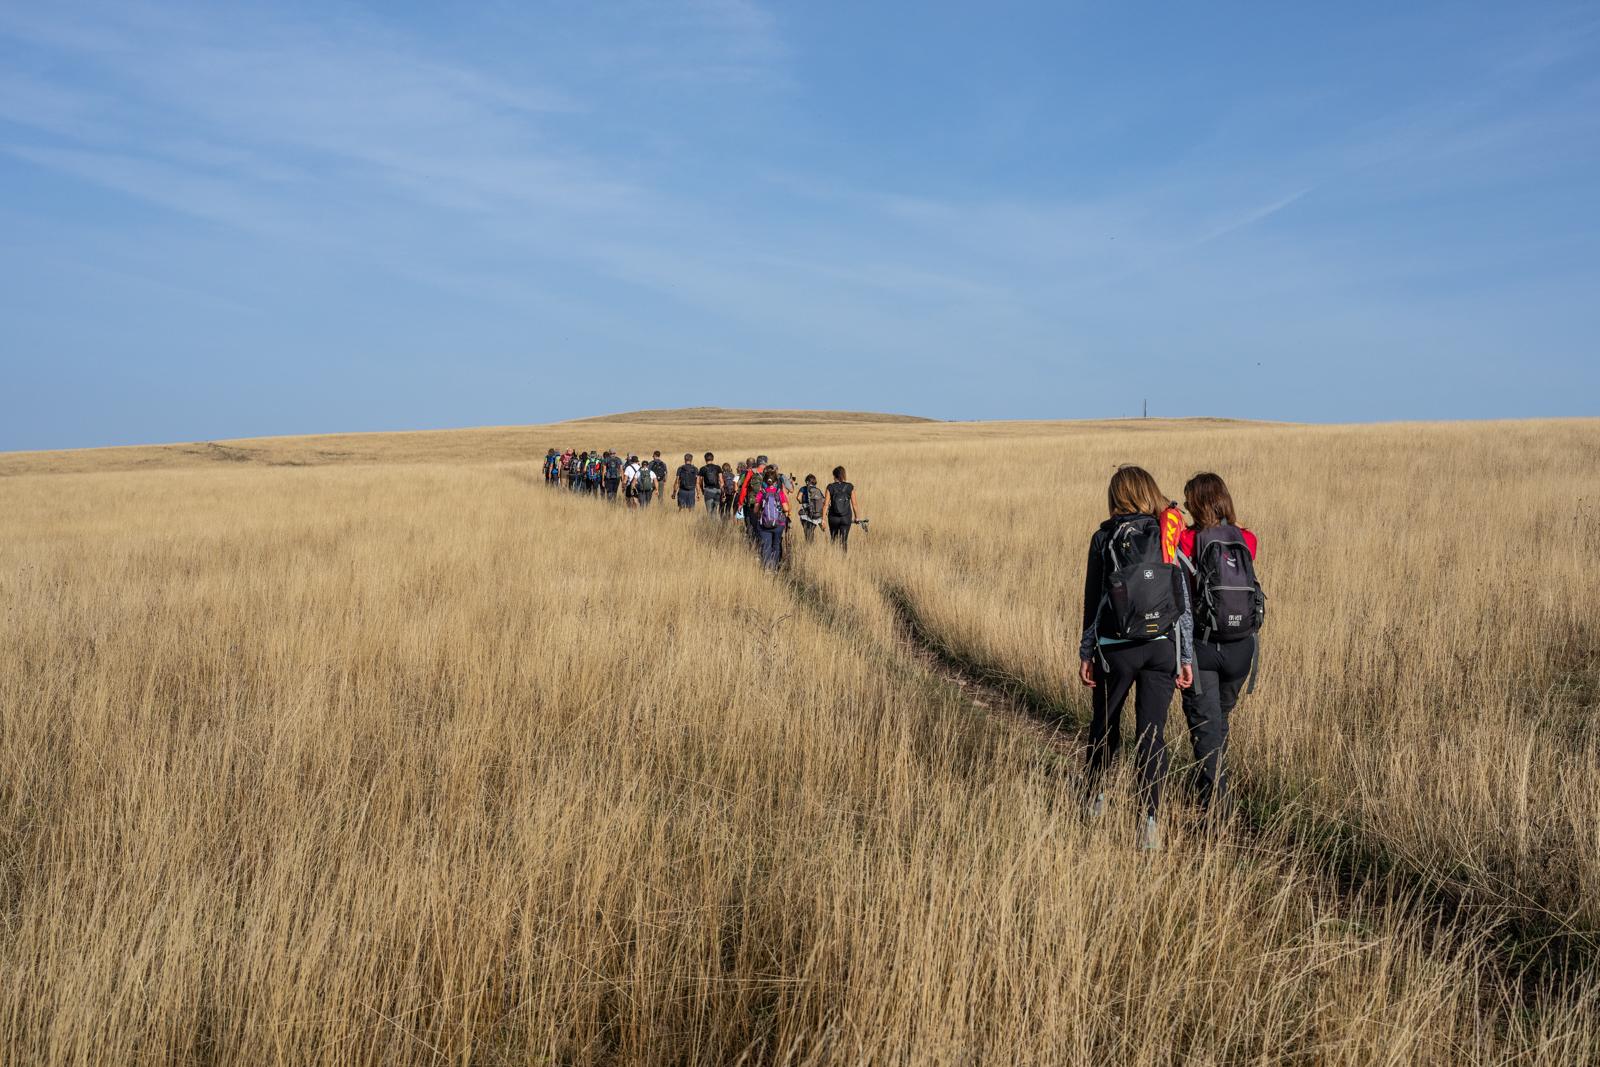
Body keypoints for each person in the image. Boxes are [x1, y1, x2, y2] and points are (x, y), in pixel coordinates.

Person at [1077, 465, 1193, 851]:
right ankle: (1149, 823)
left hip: (1116, 649)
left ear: (1116, 497)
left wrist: (1087, 651)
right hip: (1162, 648)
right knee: (1151, 736)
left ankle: (1094, 802)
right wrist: (1185, 656)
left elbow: (1094, 600)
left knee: (1106, 726)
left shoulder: (1104, 537)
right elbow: (1183, 602)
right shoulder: (1167, 532)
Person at [1177, 472, 1262, 825]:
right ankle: (1208, 790)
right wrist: (1230, 520)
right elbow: (1247, 533)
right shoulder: (1246, 540)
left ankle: (1219, 813)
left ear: (1196, 505)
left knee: (1205, 727)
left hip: (1203, 646)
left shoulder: (1187, 540)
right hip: (1243, 648)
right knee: (1218, 723)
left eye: (1188, 501)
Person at [751, 467, 789, 569]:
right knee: (776, 545)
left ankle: (767, 568)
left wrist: (760, 511)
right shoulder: (779, 492)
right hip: (778, 524)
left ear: (765, 481)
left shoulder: (761, 492)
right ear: (776, 481)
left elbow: (755, 510)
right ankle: (774, 567)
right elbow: (786, 508)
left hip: (764, 524)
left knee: (766, 546)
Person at [825, 467, 863, 551]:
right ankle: (843, 559)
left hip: (833, 518)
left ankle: (833, 558)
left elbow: (826, 505)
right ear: (843, 475)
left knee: (833, 539)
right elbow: (854, 504)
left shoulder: (830, 487)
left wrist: (823, 519)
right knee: (844, 541)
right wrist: (857, 517)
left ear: (834, 475)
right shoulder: (849, 487)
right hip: (846, 518)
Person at [797, 474, 826, 542]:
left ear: (807, 481)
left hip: (805, 515)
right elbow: (823, 501)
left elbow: (798, 498)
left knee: (808, 533)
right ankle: (811, 546)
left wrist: (802, 502)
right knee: (811, 531)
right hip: (816, 515)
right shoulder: (817, 490)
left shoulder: (803, 488)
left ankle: (809, 546)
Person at [699, 452, 723, 517]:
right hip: (717, 491)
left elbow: (700, 482)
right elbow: (721, 481)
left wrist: (702, 490)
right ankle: (715, 526)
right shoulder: (718, 467)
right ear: (713, 459)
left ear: (705, 459)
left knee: (709, 511)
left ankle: (710, 526)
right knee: (715, 510)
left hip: (708, 490)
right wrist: (720, 490)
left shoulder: (702, 469)